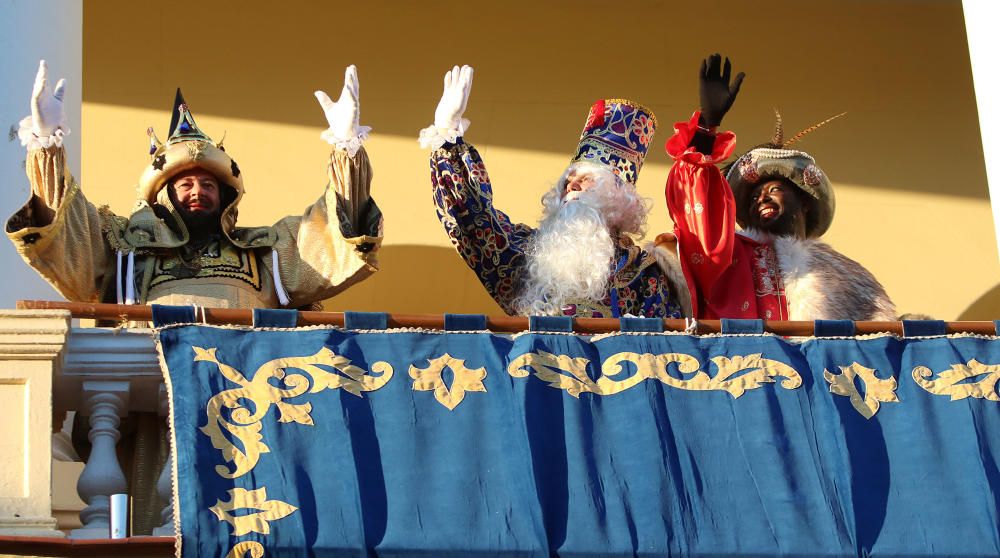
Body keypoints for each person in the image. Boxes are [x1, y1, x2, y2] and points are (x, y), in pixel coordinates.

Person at [7, 61, 382, 311]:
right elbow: (66, 230)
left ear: (226, 197)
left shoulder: (267, 250)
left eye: (208, 184)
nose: (197, 191)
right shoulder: (126, 248)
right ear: (166, 197)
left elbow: (336, 228)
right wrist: (46, 146)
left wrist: (346, 149)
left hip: (249, 384)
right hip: (149, 384)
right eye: (185, 184)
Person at [420, 65, 690, 318]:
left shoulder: (644, 275)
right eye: (567, 181)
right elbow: (473, 220)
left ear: (617, 199)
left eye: (586, 180)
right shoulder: (525, 253)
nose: (570, 185)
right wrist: (447, 136)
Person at [661, 54, 895, 321]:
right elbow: (697, 210)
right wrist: (706, 127)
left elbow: (878, 336)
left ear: (804, 200)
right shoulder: (729, 254)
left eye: (772, 189)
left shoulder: (847, 273)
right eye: (753, 197)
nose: (761, 198)